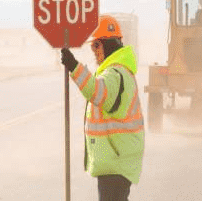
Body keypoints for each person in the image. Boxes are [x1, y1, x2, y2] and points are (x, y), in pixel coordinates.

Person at [60, 16, 145, 201]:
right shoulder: (117, 70)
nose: (94, 51)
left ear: (109, 43)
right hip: (116, 159)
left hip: (116, 161)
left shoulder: (115, 73)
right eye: (92, 46)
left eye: (96, 45)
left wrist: (74, 67)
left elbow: (98, 93)